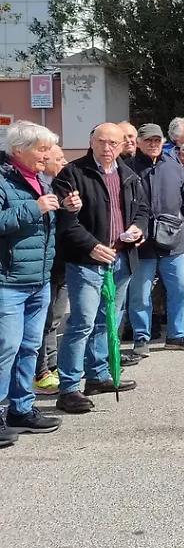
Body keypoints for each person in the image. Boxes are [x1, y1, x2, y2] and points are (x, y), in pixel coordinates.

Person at [52, 122, 147, 413]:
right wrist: (91, 245)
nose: (108, 149)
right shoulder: (72, 174)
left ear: (122, 146)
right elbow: (65, 221)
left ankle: (98, 375)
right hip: (86, 261)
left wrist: (138, 229)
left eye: (114, 143)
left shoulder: (128, 174)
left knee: (108, 320)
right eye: (102, 142)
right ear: (91, 142)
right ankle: (68, 388)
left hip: (121, 258)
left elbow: (143, 210)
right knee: (81, 323)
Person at [0, 122, 67, 446]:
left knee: (29, 347)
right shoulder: (3, 179)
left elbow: (45, 227)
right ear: (19, 151)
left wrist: (66, 211)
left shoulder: (41, 179)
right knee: (6, 348)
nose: (47, 155)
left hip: (39, 279)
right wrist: (33, 208)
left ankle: (21, 409)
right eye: (41, 149)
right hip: (8, 281)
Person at [127, 123, 184, 354]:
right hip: (141, 245)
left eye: (157, 140)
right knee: (140, 295)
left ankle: (177, 336)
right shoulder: (127, 168)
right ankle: (141, 339)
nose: (153, 144)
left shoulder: (175, 167)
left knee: (180, 290)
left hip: (174, 242)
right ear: (139, 142)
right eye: (148, 140)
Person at [33, 144, 69, 395]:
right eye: (59, 158)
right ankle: (41, 371)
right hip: (47, 266)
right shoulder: (43, 191)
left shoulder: (64, 185)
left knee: (55, 319)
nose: (64, 162)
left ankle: (53, 365)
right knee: (43, 322)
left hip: (64, 263)